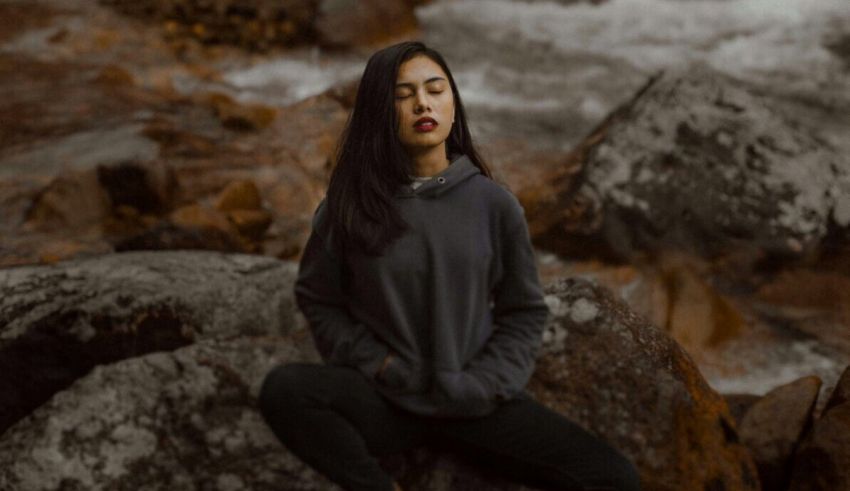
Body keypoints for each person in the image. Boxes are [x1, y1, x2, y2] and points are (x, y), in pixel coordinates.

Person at [258, 41, 641, 491]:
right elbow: (318, 298)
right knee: (285, 390)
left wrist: (483, 384)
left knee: (615, 478)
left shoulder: (494, 205)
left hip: (474, 405)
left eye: (435, 90)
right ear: (379, 112)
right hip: (387, 401)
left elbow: (524, 311)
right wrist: (380, 364)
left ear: (453, 104)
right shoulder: (349, 207)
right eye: (403, 95)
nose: (423, 103)